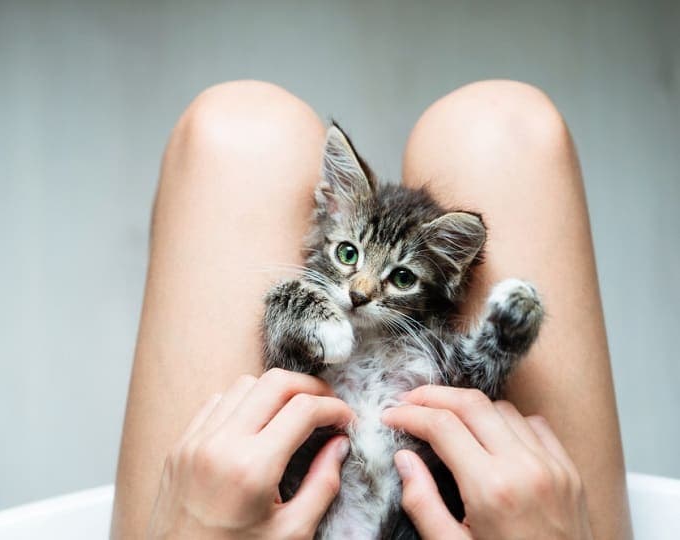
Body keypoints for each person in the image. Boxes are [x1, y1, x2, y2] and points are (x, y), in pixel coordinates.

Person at [110, 80, 632, 539]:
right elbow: (472, 389)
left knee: (232, 126)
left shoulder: (421, 341)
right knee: (505, 124)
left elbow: (469, 377)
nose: (360, 289)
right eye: (349, 253)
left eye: (400, 277)